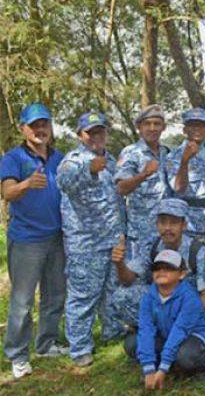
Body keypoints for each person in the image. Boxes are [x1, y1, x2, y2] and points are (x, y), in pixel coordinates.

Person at [0, 103, 67, 378]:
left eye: (45, 124)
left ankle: (46, 343)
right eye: (34, 125)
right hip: (27, 240)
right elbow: (6, 193)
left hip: (57, 237)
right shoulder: (13, 158)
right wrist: (26, 184)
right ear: (23, 128)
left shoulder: (59, 157)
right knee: (23, 301)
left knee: (55, 295)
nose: (40, 129)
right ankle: (17, 355)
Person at [57, 111, 126, 366]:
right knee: (83, 296)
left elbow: (116, 201)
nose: (96, 136)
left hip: (111, 240)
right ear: (80, 135)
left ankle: (112, 331)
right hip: (85, 243)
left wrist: (121, 234)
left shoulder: (110, 159)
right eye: (90, 132)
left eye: (100, 131)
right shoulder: (73, 160)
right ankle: (79, 347)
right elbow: (62, 182)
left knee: (111, 291)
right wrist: (88, 169)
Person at [111, 198, 205, 330]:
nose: (167, 228)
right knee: (121, 296)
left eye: (173, 222)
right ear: (157, 225)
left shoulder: (197, 251)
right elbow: (128, 281)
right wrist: (119, 264)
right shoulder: (152, 247)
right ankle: (156, 329)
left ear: (183, 225)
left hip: (186, 305)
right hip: (160, 302)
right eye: (163, 222)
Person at [124, 249, 205, 391]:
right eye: (157, 268)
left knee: (184, 356)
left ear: (182, 274)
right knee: (132, 344)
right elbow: (146, 329)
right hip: (165, 334)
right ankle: (161, 364)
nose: (161, 272)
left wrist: (164, 367)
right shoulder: (148, 297)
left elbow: (181, 330)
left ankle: (204, 364)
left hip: (190, 335)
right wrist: (148, 368)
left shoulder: (190, 297)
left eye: (169, 268)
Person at [115, 104, 171, 260]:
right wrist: (143, 174)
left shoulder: (166, 153)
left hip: (165, 234)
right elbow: (121, 188)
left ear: (163, 127)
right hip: (140, 236)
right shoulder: (131, 153)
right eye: (147, 124)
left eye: (157, 124)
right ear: (139, 127)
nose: (152, 128)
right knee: (138, 282)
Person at [165, 107, 205, 238]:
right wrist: (184, 161)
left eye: (201, 125)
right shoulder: (173, 156)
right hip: (188, 225)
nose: (197, 129)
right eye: (192, 125)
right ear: (184, 129)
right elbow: (178, 188)